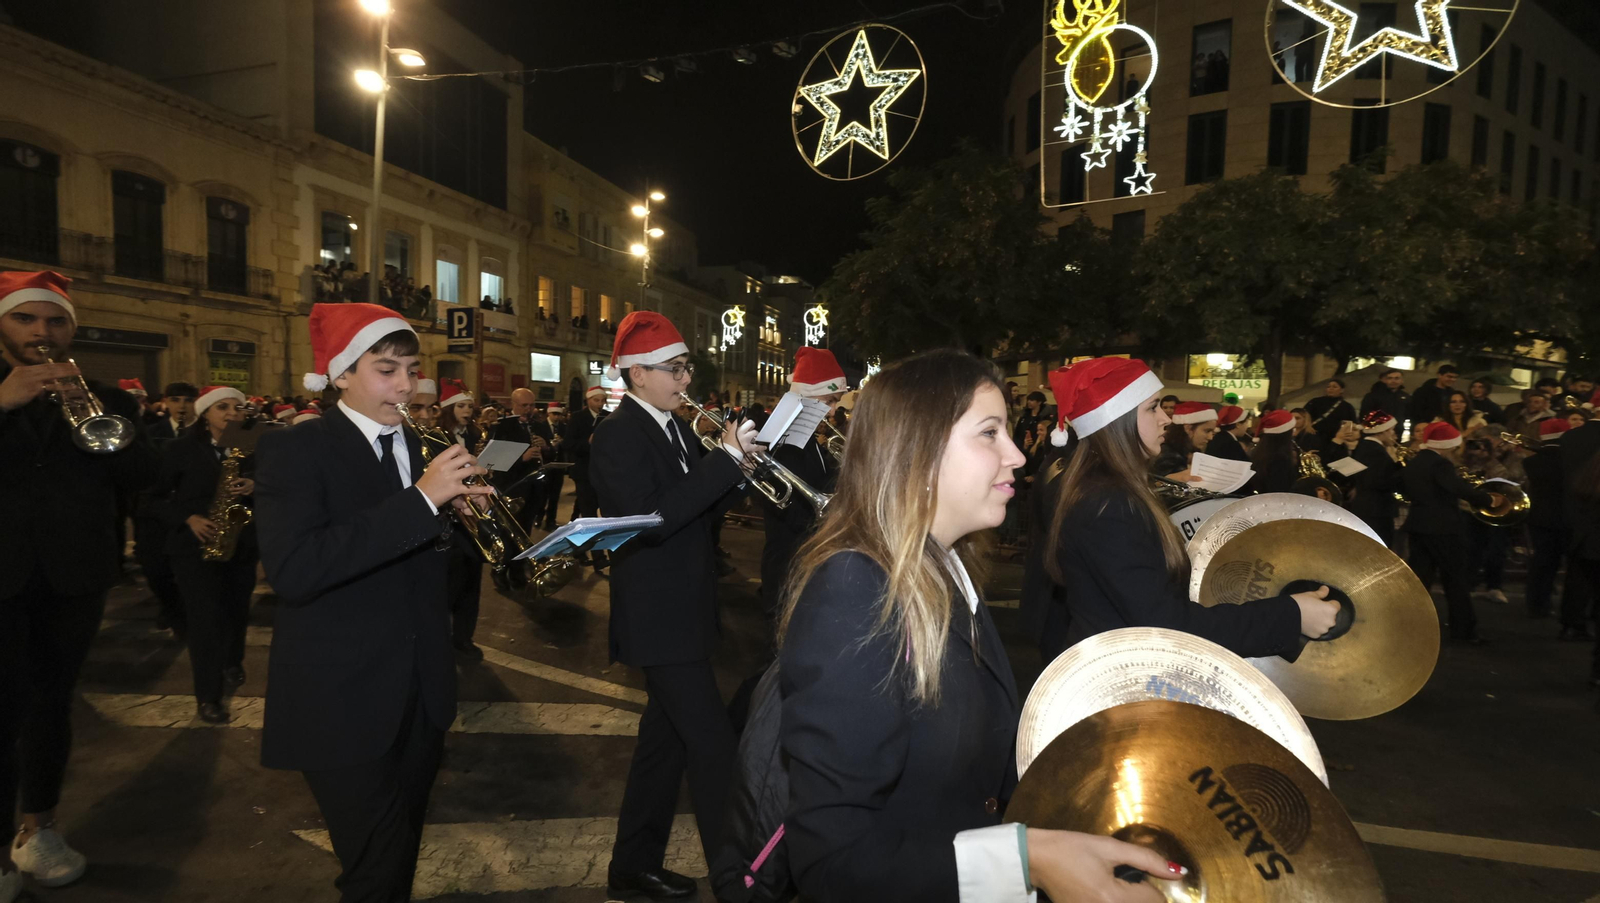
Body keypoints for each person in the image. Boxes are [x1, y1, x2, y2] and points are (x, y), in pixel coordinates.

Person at [779, 349, 1183, 903]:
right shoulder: (854, 588)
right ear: (915, 450)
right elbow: (833, 861)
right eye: (989, 433)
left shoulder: (947, 565)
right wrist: (1026, 859)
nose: (1017, 455)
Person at [254, 303, 494, 902]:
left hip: (420, 693)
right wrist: (422, 501)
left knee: (400, 851)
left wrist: (462, 520)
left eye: (411, 370)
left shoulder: (419, 446)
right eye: (386, 370)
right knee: (375, 869)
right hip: (340, 697)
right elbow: (296, 569)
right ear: (340, 375)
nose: (406, 386)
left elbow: (423, 563)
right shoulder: (296, 448)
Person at [0, 272, 158, 900]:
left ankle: (38, 827)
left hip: (74, 576)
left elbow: (143, 474)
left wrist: (85, 410)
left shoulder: (107, 400)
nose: (42, 333)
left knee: (49, 704)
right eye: (26, 321)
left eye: (55, 322)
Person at [592, 312, 759, 900]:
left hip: (685, 611)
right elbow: (655, 520)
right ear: (637, 374)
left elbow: (699, 515)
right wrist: (722, 463)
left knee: (662, 750)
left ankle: (630, 867)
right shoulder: (618, 434)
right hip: (656, 617)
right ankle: (736, 881)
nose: (686, 379)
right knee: (713, 746)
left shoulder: (675, 427)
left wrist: (737, 472)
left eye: (686, 367)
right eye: (675, 369)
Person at [1044, 357, 1339, 658]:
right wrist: (1292, 615)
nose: (1166, 419)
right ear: (1118, 421)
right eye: (1152, 408)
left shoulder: (1109, 493)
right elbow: (1167, 626)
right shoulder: (1109, 505)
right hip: (1125, 677)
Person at [153, 385, 258, 724]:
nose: (232, 413)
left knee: (237, 611)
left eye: (237, 407)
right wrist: (188, 518)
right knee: (205, 621)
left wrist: (255, 485)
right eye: (222, 407)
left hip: (240, 544)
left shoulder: (250, 444)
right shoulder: (179, 449)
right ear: (205, 413)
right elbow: (150, 498)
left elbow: (278, 483)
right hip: (194, 550)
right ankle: (208, 696)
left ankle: (232, 660)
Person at [759, 348, 847, 621]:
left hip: (803, 564)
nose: (833, 411)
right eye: (830, 400)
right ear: (809, 395)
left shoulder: (810, 442)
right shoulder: (787, 443)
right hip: (788, 568)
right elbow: (793, 512)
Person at [1402, 423, 1502, 644]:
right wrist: (1488, 499)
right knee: (1455, 580)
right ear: (1447, 444)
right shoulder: (1440, 464)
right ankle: (1463, 631)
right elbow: (1457, 488)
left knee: (1419, 581)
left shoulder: (1415, 462)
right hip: (1443, 528)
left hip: (1418, 525)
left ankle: (1409, 627)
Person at [1524, 419, 1571, 620]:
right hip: (1567, 516)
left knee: (1541, 562)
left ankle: (1536, 603)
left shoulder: (1531, 461)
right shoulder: (1571, 459)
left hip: (1539, 518)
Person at [1340, 412, 1404, 548]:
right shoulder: (1375, 451)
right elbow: (1378, 481)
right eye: (1391, 430)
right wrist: (1400, 470)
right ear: (1383, 431)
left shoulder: (1365, 447)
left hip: (1370, 508)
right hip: (1376, 510)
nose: (1393, 434)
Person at [566, 386, 610, 572]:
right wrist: (588, 442)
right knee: (591, 515)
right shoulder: (577, 418)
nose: (599, 404)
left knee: (581, 513)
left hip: (602, 472)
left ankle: (575, 547)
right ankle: (598, 556)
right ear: (588, 401)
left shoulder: (608, 416)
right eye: (596, 400)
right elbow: (568, 444)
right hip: (584, 473)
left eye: (602, 400)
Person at [1151, 401, 1215, 477]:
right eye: (1207, 431)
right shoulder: (1170, 456)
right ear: (1188, 428)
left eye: (1212, 432)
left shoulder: (1178, 453)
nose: (1210, 437)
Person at [1246, 410, 1299, 494]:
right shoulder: (1280, 458)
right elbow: (1281, 490)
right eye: (1293, 429)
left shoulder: (1261, 450)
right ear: (1285, 433)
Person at [1304, 378, 1357, 445]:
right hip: (1316, 436)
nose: (1331, 388)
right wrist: (1308, 425)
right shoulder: (1316, 401)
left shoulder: (1347, 407)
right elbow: (1305, 413)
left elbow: (1352, 423)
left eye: (1334, 387)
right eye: (1329, 387)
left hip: (1336, 439)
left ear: (1342, 390)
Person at [1407, 364, 1459, 430]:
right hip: (1424, 428)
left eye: (1455, 377)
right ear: (1439, 375)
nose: (1452, 379)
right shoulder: (1422, 391)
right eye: (1449, 376)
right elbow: (1414, 412)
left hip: (1444, 429)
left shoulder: (1452, 393)